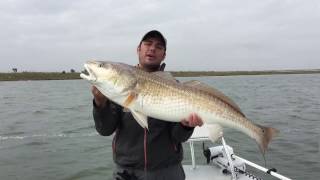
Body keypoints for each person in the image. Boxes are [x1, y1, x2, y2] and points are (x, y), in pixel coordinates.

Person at [91, 30, 203, 180]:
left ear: (164, 55)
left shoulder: (174, 87)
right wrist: (100, 104)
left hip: (167, 172)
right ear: (138, 49)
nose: (152, 48)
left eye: (158, 46)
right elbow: (105, 130)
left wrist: (187, 126)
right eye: (148, 43)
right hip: (126, 173)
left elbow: (178, 137)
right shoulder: (119, 84)